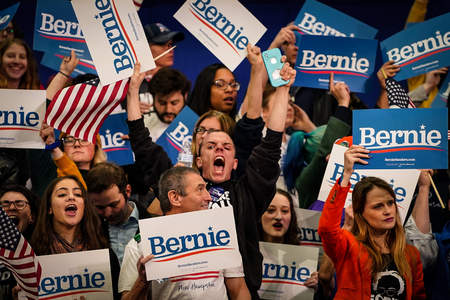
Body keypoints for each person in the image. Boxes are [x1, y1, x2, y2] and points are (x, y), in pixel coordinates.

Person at [119, 167, 251, 299]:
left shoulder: (221, 235)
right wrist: (142, 282)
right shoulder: (139, 245)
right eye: (200, 189)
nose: (209, 197)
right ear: (175, 197)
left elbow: (239, 289)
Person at [318, 145, 426, 299]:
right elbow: (327, 229)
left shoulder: (410, 254)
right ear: (360, 213)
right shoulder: (349, 247)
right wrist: (346, 174)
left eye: (390, 203)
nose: (388, 211)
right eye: (377, 206)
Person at [30, 176, 120, 299]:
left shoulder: (104, 252)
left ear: (84, 206)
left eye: (78, 194)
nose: (71, 197)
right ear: (49, 208)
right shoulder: (31, 255)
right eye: (62, 194)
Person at [86, 161, 153, 265]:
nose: (107, 213)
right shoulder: (88, 228)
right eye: (99, 207)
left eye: (114, 205)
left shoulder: (154, 224)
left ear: (127, 191)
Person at [0, 184, 37, 300]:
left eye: (19, 204)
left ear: (32, 217)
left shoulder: (43, 250)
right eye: (4, 204)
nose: (11, 207)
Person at [141, 67, 191, 140]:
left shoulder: (198, 127)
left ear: (185, 96)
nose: (168, 110)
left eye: (174, 103)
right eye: (162, 103)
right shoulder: (140, 126)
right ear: (153, 98)